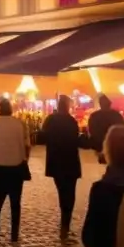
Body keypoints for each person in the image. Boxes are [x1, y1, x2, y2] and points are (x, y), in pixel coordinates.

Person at [0, 98, 31, 242]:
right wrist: (25, 159)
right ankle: (14, 233)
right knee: (15, 201)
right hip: (17, 165)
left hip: (0, 165)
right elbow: (28, 144)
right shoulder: (21, 124)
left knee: (0, 196)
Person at [42, 95, 82, 238]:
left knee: (61, 190)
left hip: (56, 160)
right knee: (70, 192)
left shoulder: (50, 120)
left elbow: (42, 135)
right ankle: (66, 220)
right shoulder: (71, 121)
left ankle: (64, 218)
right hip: (70, 161)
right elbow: (76, 138)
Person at [88, 94, 124, 163]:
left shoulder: (94, 116)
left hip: (100, 146)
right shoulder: (117, 115)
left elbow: (91, 131)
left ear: (100, 104)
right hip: (114, 146)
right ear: (110, 103)